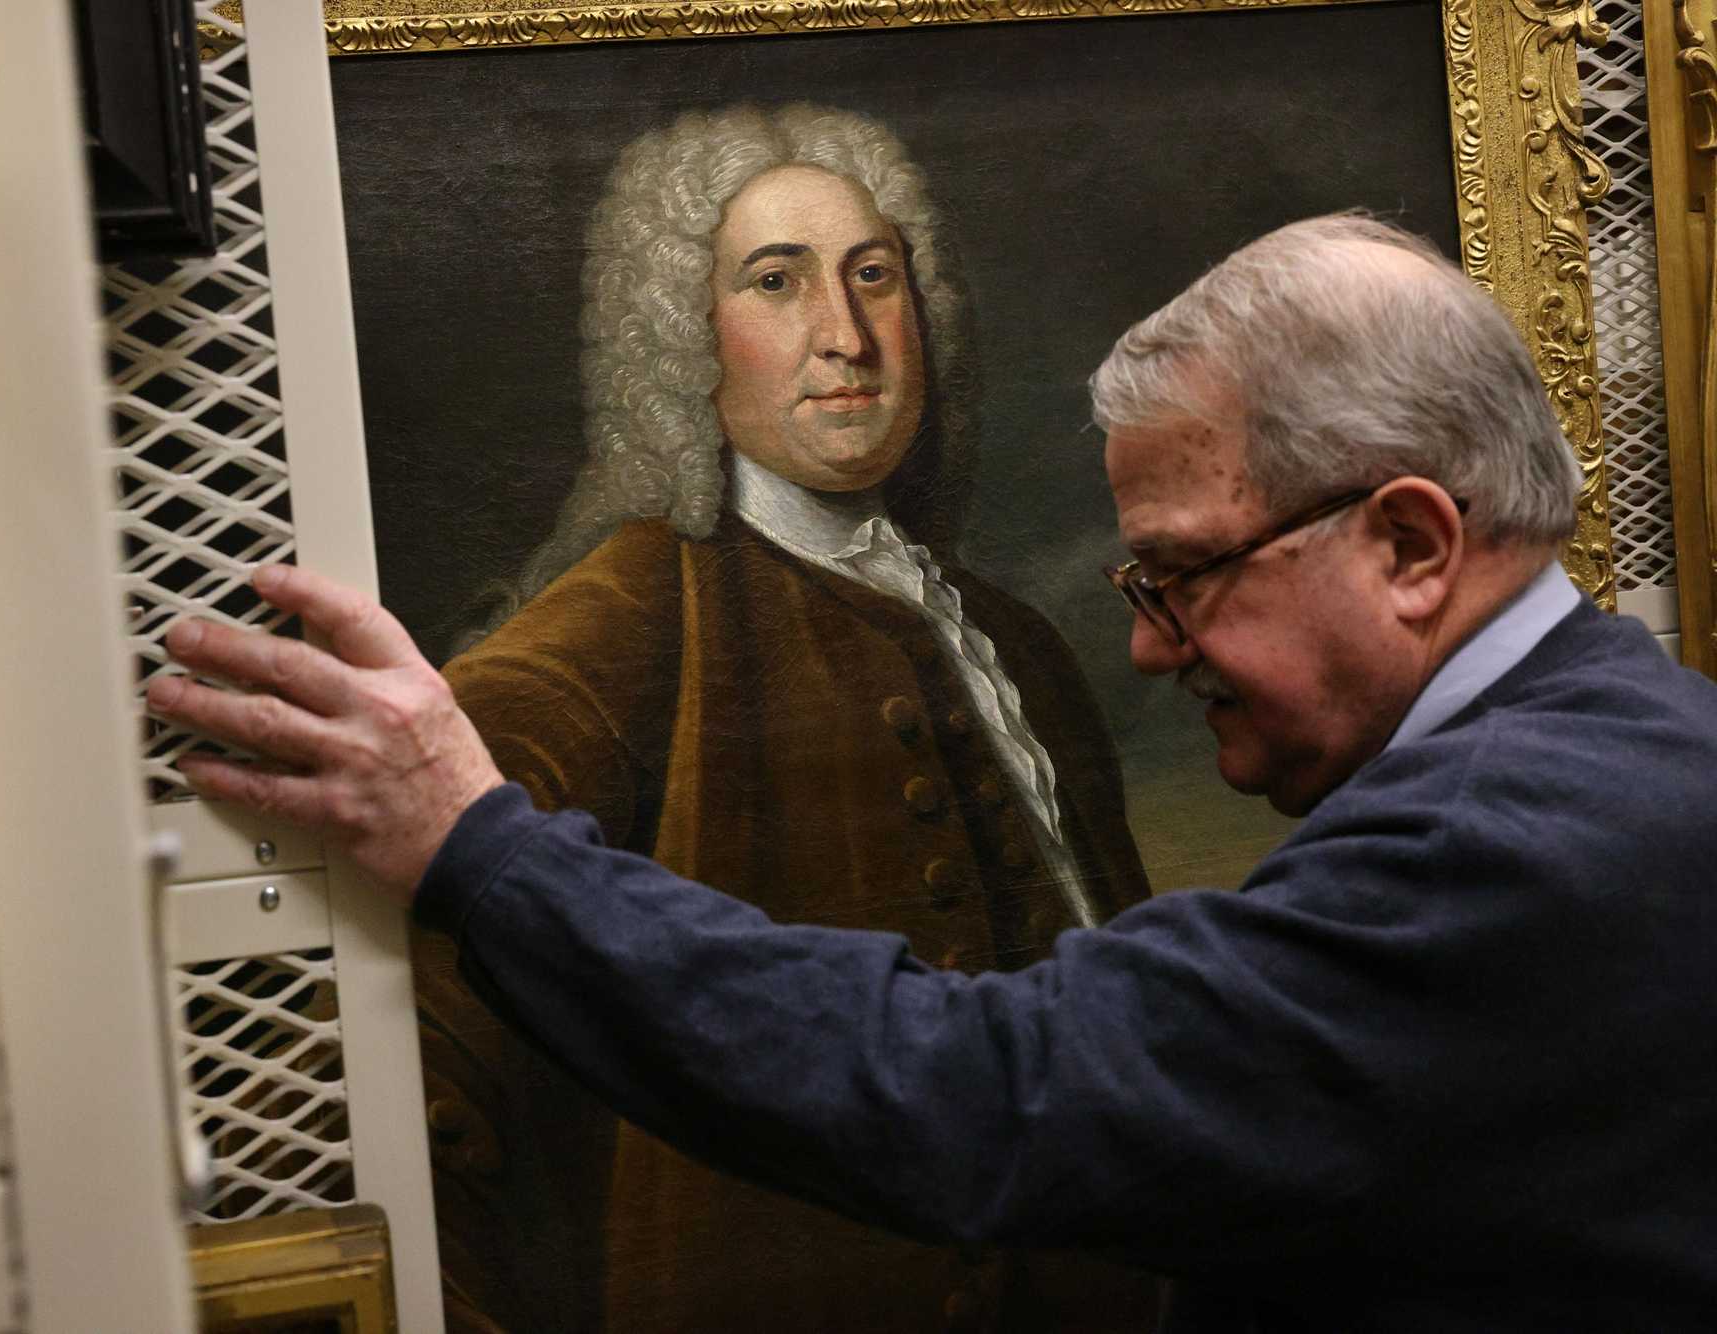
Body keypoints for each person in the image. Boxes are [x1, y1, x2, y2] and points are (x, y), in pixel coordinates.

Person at [149, 213, 1717, 1331]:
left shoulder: (1509, 848)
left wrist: (480, 846)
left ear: (1409, 543)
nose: (1156, 651)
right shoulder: (1641, 741)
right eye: (775, 281)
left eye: (1182, 577)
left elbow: (986, 1083)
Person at [421, 104, 1152, 1331]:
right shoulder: (625, 618)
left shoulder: (1010, 638)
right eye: (776, 282)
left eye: (875, 276)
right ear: (682, 337)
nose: (846, 336)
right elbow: (430, 999)